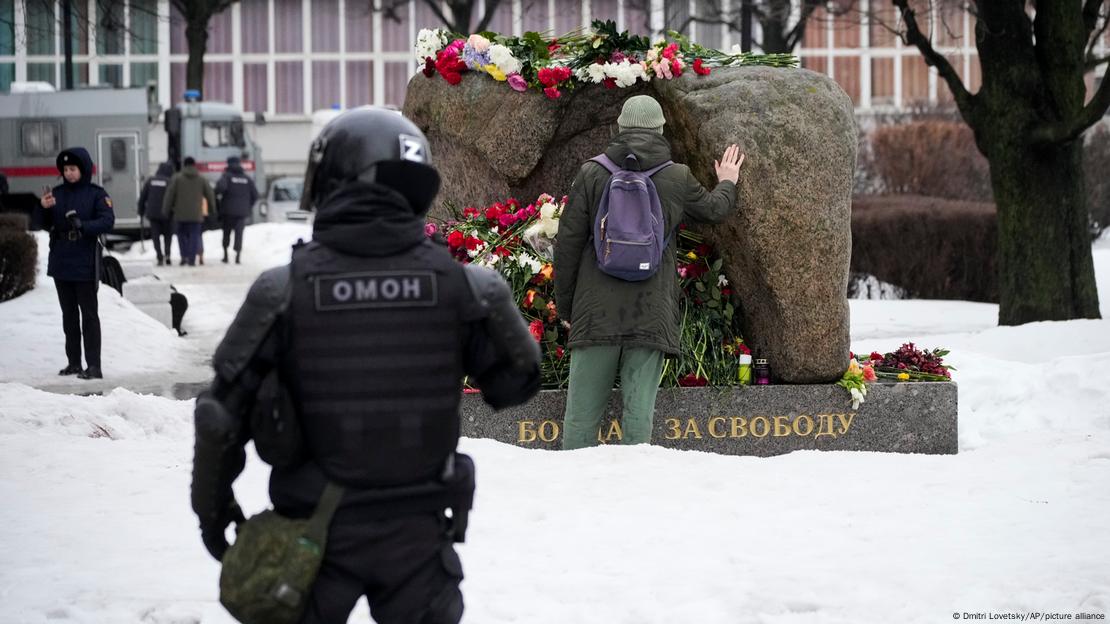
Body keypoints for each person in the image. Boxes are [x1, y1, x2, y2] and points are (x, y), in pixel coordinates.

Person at [190, 108, 541, 624]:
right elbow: (515, 382)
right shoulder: (462, 286)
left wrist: (214, 516)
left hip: (312, 537)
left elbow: (218, 420)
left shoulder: (283, 290)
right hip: (417, 541)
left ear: (332, 181)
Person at [553, 94, 745, 450]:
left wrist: (567, 309)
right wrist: (728, 181)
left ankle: (574, 496)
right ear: (660, 131)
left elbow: (567, 245)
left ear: (620, 128)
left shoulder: (592, 173)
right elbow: (714, 210)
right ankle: (634, 496)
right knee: (638, 418)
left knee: (580, 420)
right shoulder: (676, 176)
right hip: (650, 312)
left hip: (595, 313)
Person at [37, 147, 115, 380]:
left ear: (83, 169)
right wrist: (43, 208)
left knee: (89, 315)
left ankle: (94, 366)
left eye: (73, 169)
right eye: (66, 169)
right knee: (68, 315)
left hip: (85, 261)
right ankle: (74, 362)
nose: (69, 173)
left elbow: (108, 220)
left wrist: (84, 226)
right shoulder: (56, 194)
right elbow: (40, 223)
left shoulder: (96, 194)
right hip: (62, 260)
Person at [163, 156, 217, 266]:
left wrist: (166, 210)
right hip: (196, 214)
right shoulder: (201, 179)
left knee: (181, 236)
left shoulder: (177, 178)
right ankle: (192, 259)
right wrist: (212, 210)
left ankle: (184, 257)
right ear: (194, 165)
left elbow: (170, 195)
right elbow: (210, 195)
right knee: (194, 236)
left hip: (180, 214)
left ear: (184, 165)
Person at [214, 156, 259, 264]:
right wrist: (248, 206)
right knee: (239, 234)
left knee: (226, 233)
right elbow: (255, 195)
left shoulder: (226, 176)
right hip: (242, 212)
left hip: (228, 211)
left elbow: (220, 189)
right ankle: (238, 256)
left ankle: (225, 255)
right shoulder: (247, 178)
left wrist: (218, 199)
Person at [138, 161, 176, 266]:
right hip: (167, 214)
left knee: (156, 236)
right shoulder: (170, 182)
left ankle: (159, 256)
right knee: (168, 236)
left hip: (153, 213)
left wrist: (140, 211)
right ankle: (167, 255)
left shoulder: (150, 181)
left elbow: (143, 197)